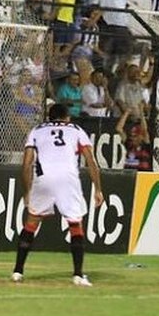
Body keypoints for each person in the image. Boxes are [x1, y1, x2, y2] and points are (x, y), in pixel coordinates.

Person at [11, 103, 104, 287]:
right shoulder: (76, 130)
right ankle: (78, 274)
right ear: (67, 117)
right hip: (67, 179)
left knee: (31, 223)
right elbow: (91, 161)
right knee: (75, 225)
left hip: (43, 178)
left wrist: (27, 191)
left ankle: (17, 271)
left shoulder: (36, 130)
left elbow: (26, 164)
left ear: (49, 117)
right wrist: (98, 189)